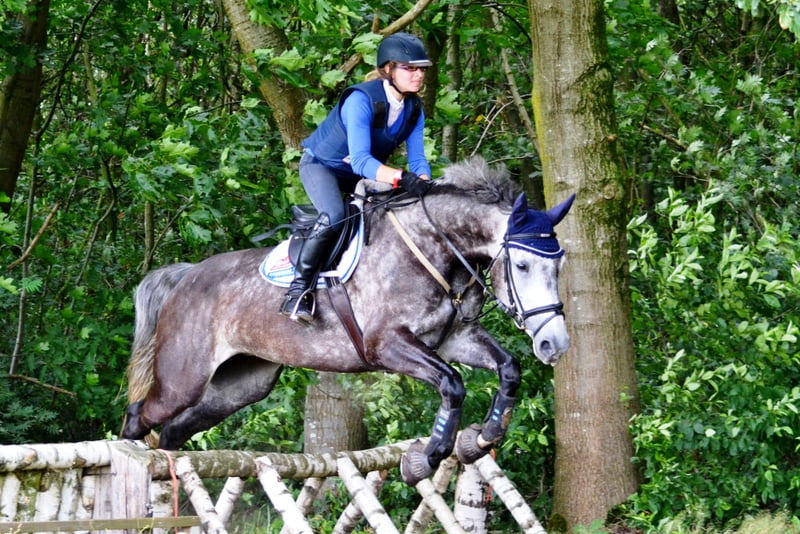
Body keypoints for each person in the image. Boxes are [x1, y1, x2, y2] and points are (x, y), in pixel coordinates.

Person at [279, 32, 435, 323]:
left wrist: (425, 182)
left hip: (359, 175)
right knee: (336, 215)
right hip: (322, 165)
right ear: (388, 69)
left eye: (421, 69)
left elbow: (417, 159)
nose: (418, 75)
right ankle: (298, 291)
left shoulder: (414, 110)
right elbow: (362, 160)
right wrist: (402, 178)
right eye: (409, 68)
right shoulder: (360, 99)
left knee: (390, 216)